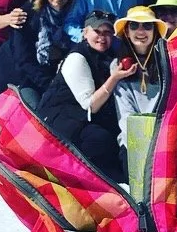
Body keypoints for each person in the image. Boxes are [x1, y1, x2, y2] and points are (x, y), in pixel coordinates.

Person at [38, 10, 133, 182]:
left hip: (82, 119)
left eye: (107, 33)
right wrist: (114, 78)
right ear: (85, 32)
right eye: (97, 32)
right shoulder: (77, 58)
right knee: (100, 140)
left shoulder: (107, 57)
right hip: (59, 122)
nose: (102, 37)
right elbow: (90, 105)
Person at [111, 5, 166, 152]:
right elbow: (125, 112)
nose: (141, 31)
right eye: (134, 25)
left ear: (154, 32)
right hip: (132, 142)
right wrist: (140, 144)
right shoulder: (117, 65)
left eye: (147, 26)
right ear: (127, 32)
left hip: (162, 138)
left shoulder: (166, 62)